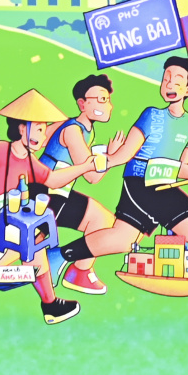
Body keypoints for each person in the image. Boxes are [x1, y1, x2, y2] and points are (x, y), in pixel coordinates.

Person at [0, 89, 107, 325]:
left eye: (44, 129)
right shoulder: (1, 149)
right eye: (38, 128)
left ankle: (49, 304)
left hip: (8, 219)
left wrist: (85, 166)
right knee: (29, 242)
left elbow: (53, 179)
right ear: (22, 128)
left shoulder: (30, 161)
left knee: (35, 240)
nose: (43, 134)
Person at [84, 56, 188, 256]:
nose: (169, 84)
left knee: (122, 240)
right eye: (166, 79)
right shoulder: (152, 114)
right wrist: (104, 161)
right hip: (139, 181)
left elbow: (179, 168)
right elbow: (127, 152)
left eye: (176, 81)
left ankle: (61, 255)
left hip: (163, 185)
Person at [35, 73, 130, 297]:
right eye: (100, 100)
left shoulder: (84, 128)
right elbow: (92, 176)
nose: (107, 106)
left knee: (103, 220)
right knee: (103, 221)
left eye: (107, 100)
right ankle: (72, 267)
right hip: (44, 195)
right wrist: (112, 156)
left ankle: (77, 270)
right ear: (82, 104)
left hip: (57, 193)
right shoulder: (73, 130)